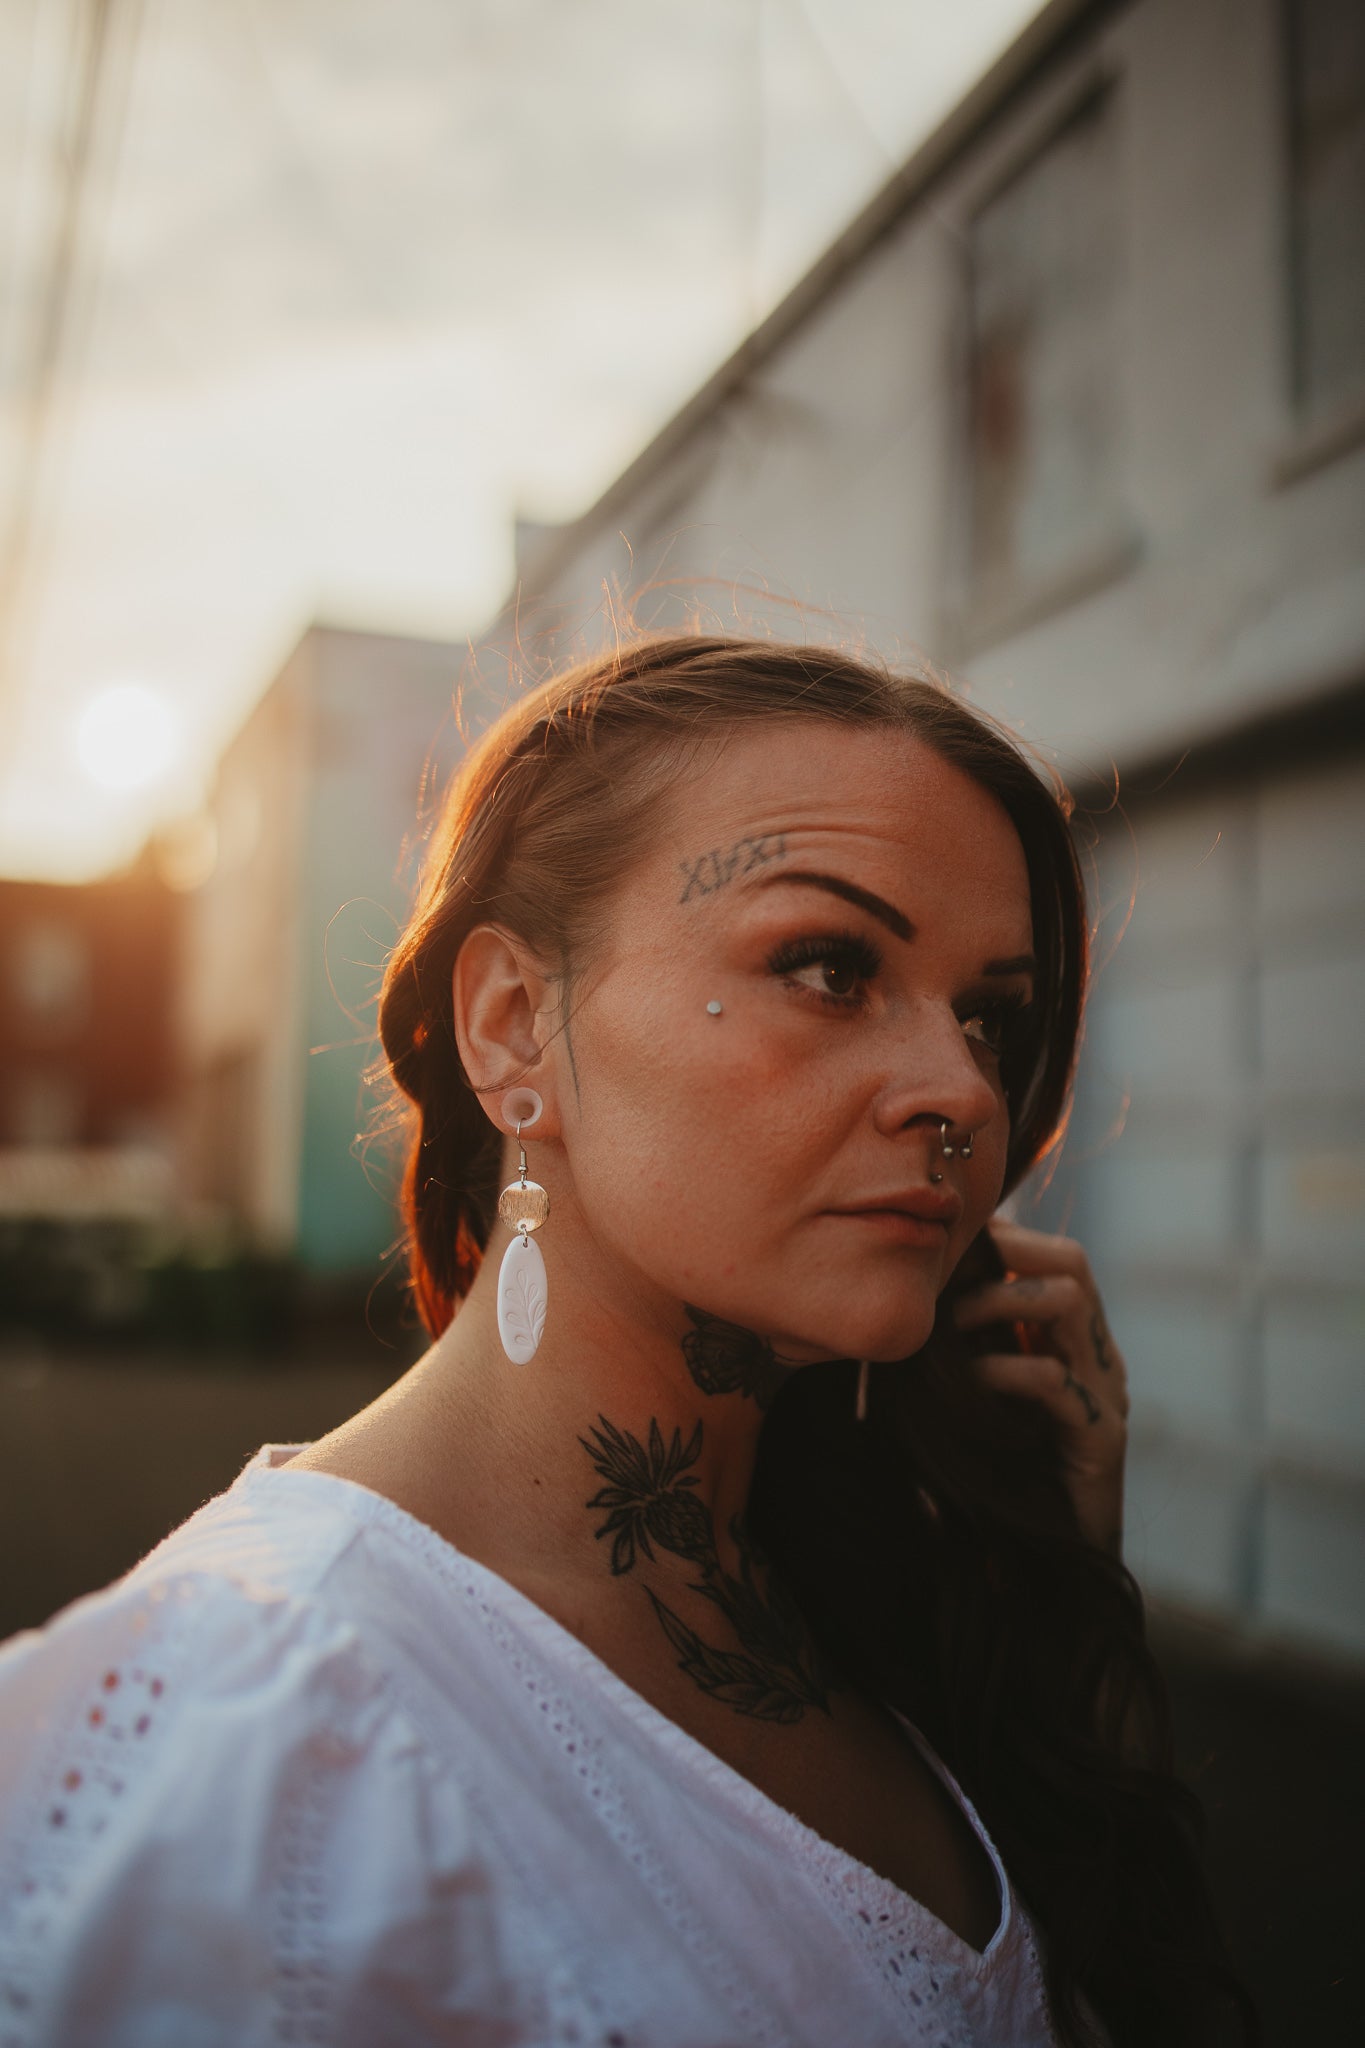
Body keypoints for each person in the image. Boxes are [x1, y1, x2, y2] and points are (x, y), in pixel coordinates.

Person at [0, 634, 1256, 2048]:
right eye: (831, 967)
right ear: (513, 1024)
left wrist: (1050, 1587)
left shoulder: (877, 1572)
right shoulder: (249, 1729)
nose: (958, 1088)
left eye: (991, 1016)